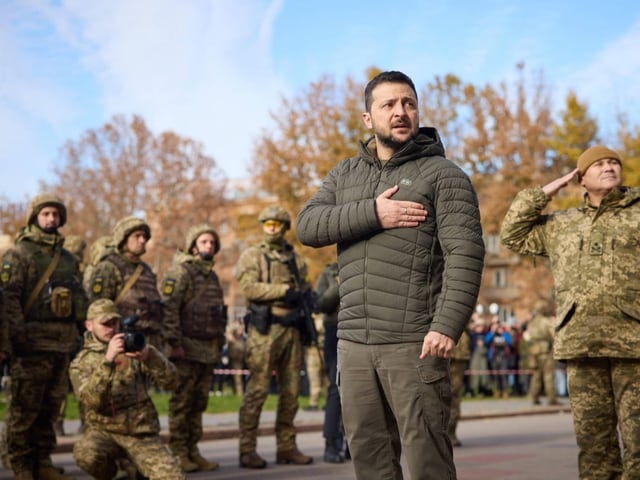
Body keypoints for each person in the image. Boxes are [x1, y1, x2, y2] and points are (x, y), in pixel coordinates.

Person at [296, 70, 485, 480]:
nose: (401, 112)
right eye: (389, 105)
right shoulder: (345, 174)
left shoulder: (444, 175)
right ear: (368, 118)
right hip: (354, 346)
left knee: (426, 464)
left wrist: (447, 326)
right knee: (371, 463)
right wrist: (373, 213)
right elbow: (307, 226)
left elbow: (465, 254)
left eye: (409, 103)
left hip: (414, 345)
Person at [500, 144, 640, 479]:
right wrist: (550, 188)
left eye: (613, 163)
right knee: (595, 451)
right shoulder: (562, 225)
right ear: (581, 179)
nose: (608, 167)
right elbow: (511, 233)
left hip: (634, 345)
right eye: (599, 164)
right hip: (581, 345)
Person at [0, 193, 87, 480]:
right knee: (24, 410)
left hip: (61, 346)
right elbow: (8, 300)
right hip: (31, 346)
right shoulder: (19, 254)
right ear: (35, 216)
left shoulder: (67, 258)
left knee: (50, 409)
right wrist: (17, 338)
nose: (51, 219)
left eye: (56, 214)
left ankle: (43, 460)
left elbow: (79, 299)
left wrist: (78, 335)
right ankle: (22, 464)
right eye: (46, 213)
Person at [69, 298, 184, 480]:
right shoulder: (80, 363)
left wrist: (149, 357)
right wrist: (108, 361)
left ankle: (135, 468)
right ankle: (116, 475)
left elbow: (173, 382)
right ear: (89, 325)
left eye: (115, 322)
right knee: (86, 454)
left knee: (173, 477)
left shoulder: (134, 350)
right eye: (105, 324)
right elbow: (91, 401)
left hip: (141, 434)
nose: (111, 328)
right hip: (104, 433)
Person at [235, 205, 314, 469]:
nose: (272, 229)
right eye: (267, 224)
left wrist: (305, 300)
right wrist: (282, 290)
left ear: (284, 228)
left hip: (291, 329)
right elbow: (248, 288)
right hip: (265, 331)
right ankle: (247, 450)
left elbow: (304, 289)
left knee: (291, 393)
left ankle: (287, 447)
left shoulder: (296, 259)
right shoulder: (252, 256)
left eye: (276, 225)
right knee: (257, 391)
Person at [160, 224, 226, 472]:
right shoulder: (181, 272)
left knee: (199, 402)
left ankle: (192, 449)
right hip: (186, 349)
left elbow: (218, 314)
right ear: (193, 246)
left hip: (207, 349)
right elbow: (169, 309)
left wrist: (219, 344)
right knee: (182, 402)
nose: (209, 246)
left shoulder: (212, 276)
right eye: (204, 242)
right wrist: (174, 343)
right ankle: (178, 452)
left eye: (212, 242)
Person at [87, 217, 163, 352]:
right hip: (121, 344)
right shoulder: (108, 267)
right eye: (137, 236)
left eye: (144, 236)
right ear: (123, 239)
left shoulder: (146, 270)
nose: (142, 240)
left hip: (149, 344)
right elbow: (97, 310)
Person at [314, 261, 346, 463]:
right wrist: (339, 285)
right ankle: (331, 443)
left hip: (361, 327)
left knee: (363, 388)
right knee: (336, 386)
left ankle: (354, 444)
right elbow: (320, 304)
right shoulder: (328, 273)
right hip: (335, 331)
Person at [523, 301, 559, 406]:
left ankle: (534, 397)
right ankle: (552, 399)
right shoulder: (546, 321)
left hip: (534, 351)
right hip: (546, 351)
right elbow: (554, 334)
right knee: (548, 375)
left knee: (536, 375)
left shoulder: (531, 322)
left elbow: (527, 336)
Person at [449, 321, 471, 447]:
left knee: (453, 393)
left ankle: (450, 431)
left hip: (456, 348)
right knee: (452, 393)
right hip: (452, 344)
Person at [225, 317, 247, 396]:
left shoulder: (239, 341)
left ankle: (239, 393)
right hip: (237, 357)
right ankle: (238, 392)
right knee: (236, 376)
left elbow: (229, 335)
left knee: (238, 376)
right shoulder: (239, 340)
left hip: (238, 357)